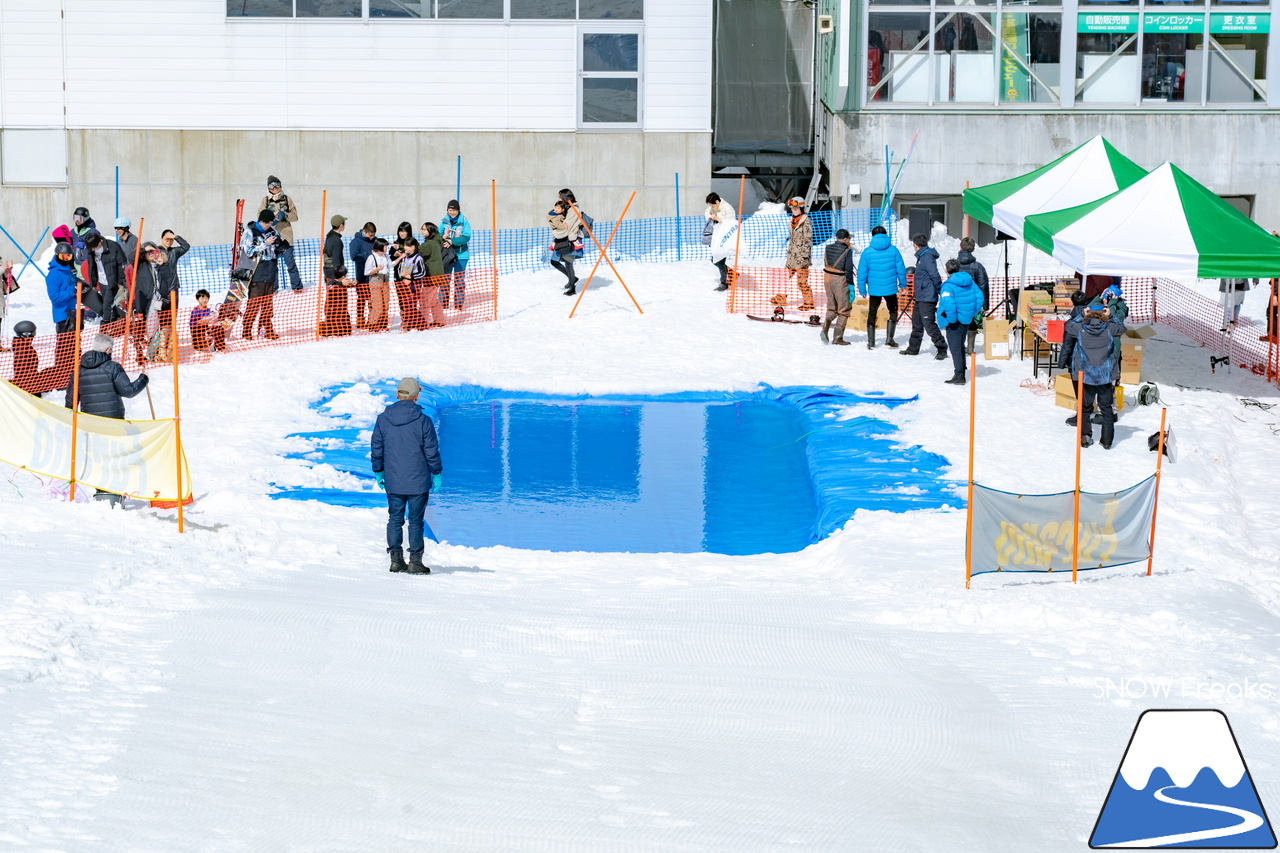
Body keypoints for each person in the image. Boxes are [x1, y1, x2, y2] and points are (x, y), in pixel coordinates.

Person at [64, 334, 149, 506]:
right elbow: (129, 391)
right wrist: (143, 379)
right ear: (108, 350)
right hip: (113, 421)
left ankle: (101, 492)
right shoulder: (112, 367)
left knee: (98, 456)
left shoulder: (78, 369)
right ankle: (114, 493)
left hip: (90, 423)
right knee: (115, 456)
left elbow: (70, 401)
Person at [371, 377, 443, 575]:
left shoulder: (383, 419)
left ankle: (396, 560)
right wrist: (436, 472)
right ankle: (415, 561)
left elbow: (377, 448)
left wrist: (378, 471)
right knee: (416, 521)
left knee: (395, 519)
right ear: (416, 397)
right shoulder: (423, 421)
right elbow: (431, 451)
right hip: (418, 480)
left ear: (397, 394)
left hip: (393, 480)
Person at [1058, 306, 1126, 449]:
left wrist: (1081, 315)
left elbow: (1067, 326)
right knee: (1106, 409)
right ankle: (1107, 441)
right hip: (1104, 375)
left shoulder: (1080, 328)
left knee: (1084, 408)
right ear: (1103, 315)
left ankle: (1085, 436)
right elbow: (1122, 328)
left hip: (1086, 375)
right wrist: (1111, 315)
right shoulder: (1110, 328)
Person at [856, 224, 907, 349]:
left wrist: (862, 289)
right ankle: (890, 339)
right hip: (890, 288)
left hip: (874, 289)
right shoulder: (894, 250)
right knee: (893, 310)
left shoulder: (867, 252)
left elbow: (862, 272)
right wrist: (903, 284)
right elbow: (901, 269)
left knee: (872, 313)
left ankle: (871, 342)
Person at [936, 258, 984, 385]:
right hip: (965, 319)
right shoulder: (970, 281)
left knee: (955, 348)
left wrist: (951, 320)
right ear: (958, 268)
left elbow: (948, 304)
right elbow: (980, 298)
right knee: (960, 346)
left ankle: (959, 375)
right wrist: (971, 313)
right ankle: (961, 369)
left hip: (955, 321)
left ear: (946, 270)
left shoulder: (947, 285)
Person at [902, 233, 946, 360]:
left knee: (929, 325)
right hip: (921, 296)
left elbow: (934, 275)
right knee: (916, 323)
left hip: (927, 297)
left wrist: (939, 290)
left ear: (915, 245)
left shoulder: (927, 257)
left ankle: (942, 348)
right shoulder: (922, 256)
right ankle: (913, 348)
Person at [238, 209, 281, 340]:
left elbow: (277, 247)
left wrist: (280, 246)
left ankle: (267, 329)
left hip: (271, 269)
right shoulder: (250, 232)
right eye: (266, 223)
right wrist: (265, 244)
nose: (268, 226)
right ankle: (247, 330)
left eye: (270, 223)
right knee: (254, 303)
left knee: (268, 304)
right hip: (257, 269)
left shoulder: (273, 231)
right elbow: (249, 251)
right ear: (261, 221)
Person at [259, 175, 303, 291]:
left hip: (285, 237)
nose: (274, 189)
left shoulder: (287, 200)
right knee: (272, 265)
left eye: (277, 185)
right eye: (272, 186)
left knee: (290, 263)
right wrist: (270, 217)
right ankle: (273, 287)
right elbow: (260, 217)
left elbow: (295, 217)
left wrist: (285, 215)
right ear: (268, 188)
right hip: (271, 237)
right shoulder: (265, 201)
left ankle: (297, 287)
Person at [820, 229, 855, 346]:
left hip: (827, 278)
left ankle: (825, 329)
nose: (850, 240)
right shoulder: (847, 251)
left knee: (831, 307)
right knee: (844, 310)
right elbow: (849, 270)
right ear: (845, 239)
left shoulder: (828, 248)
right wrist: (851, 285)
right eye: (849, 238)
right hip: (840, 280)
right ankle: (837, 338)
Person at [84, 231, 128, 326]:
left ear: (100, 242)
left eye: (94, 247)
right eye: (90, 248)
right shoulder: (91, 251)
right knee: (107, 303)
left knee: (107, 304)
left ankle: (105, 324)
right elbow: (91, 267)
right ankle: (115, 321)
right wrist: (93, 283)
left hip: (112, 280)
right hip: (102, 281)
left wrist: (120, 281)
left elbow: (122, 264)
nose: (92, 250)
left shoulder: (113, 247)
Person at [320, 214, 353, 338]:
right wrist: (341, 277)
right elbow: (336, 261)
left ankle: (334, 326)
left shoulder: (329, 237)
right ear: (341, 225)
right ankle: (338, 327)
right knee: (338, 302)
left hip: (329, 273)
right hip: (335, 275)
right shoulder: (337, 241)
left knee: (332, 301)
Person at [956, 237, 990, 354]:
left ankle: (958, 348)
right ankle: (970, 348)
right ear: (973, 249)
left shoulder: (954, 265)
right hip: (972, 300)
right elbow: (983, 285)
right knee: (972, 322)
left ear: (960, 247)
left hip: (957, 300)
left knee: (958, 323)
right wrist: (985, 305)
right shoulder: (978, 266)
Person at [784, 197, 815, 312]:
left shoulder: (805, 222)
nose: (794, 210)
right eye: (792, 208)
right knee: (783, 278)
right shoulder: (792, 221)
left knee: (802, 282)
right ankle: (781, 298)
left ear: (801, 208)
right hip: (792, 256)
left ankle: (808, 302)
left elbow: (808, 240)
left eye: (796, 208)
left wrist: (804, 257)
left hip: (801, 257)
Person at [440, 200, 471, 310]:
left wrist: (452, 241)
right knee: (445, 279)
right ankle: (443, 304)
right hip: (447, 255)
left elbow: (466, 237)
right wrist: (442, 238)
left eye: (454, 210)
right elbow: (438, 234)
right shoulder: (444, 220)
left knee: (459, 280)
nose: (452, 212)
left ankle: (458, 304)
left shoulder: (464, 221)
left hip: (461, 255)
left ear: (458, 210)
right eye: (450, 210)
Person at [547, 199, 581, 296]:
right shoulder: (560, 212)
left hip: (570, 241)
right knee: (554, 261)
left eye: (560, 197)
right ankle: (572, 278)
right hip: (560, 240)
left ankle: (572, 288)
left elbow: (570, 225)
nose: (558, 199)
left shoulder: (573, 211)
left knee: (568, 263)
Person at [348, 222, 377, 330]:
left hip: (373, 274)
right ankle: (360, 319)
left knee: (372, 298)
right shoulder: (356, 241)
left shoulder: (374, 240)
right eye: (370, 235)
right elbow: (354, 256)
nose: (371, 238)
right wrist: (368, 254)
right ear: (364, 231)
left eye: (373, 235)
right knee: (362, 298)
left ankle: (372, 319)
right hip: (361, 273)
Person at [394, 236, 427, 331]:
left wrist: (411, 277)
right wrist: (402, 277)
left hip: (414, 285)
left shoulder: (418, 258)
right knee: (406, 305)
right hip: (405, 284)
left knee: (411, 305)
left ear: (413, 247)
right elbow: (400, 269)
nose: (405, 248)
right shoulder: (405, 257)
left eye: (408, 246)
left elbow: (422, 273)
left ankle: (420, 324)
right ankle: (412, 323)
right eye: (405, 246)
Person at [704, 192, 736, 291]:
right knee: (716, 260)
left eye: (712, 204)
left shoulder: (728, 208)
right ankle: (731, 273)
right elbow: (707, 212)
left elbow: (731, 222)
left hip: (725, 237)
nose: (711, 207)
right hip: (716, 237)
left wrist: (717, 218)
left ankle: (724, 282)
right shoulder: (713, 207)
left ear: (717, 201)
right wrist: (709, 217)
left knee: (719, 260)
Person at [419, 222, 446, 328]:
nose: (422, 231)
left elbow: (416, 250)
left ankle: (423, 322)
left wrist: (403, 247)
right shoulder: (435, 241)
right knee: (433, 300)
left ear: (430, 231)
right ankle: (440, 320)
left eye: (425, 229)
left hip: (431, 276)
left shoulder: (429, 244)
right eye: (422, 229)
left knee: (424, 300)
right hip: (437, 275)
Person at [364, 237, 392, 332]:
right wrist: (376, 269)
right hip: (376, 280)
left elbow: (390, 265)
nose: (386, 248)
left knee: (385, 303)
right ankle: (372, 323)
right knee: (377, 304)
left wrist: (400, 257)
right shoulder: (372, 257)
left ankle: (383, 323)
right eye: (385, 246)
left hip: (385, 280)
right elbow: (367, 272)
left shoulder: (386, 256)